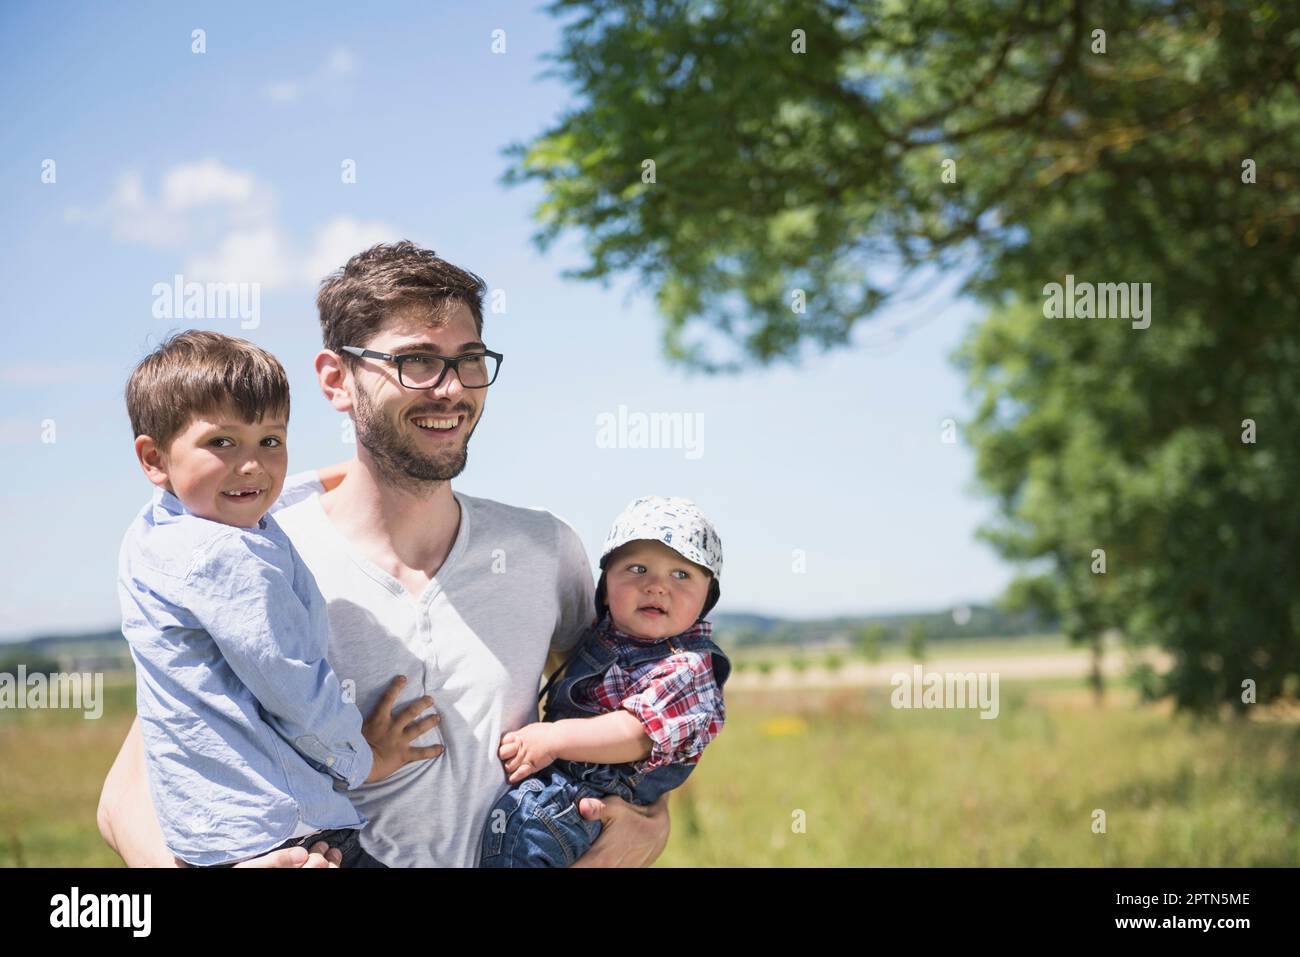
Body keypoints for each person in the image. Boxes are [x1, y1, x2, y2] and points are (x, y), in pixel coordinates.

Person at [98, 241, 670, 867]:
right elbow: (131, 792)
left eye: (469, 359)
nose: (451, 389)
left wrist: (651, 819)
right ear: (336, 380)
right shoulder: (253, 547)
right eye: (416, 362)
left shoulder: (544, 548)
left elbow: (635, 696)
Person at [118, 330, 442, 867]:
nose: (253, 466)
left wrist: (334, 478)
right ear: (154, 458)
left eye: (271, 441)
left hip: (215, 835)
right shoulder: (230, 558)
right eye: (221, 442)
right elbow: (293, 686)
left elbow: (253, 488)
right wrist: (364, 760)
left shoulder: (154, 531)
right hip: (288, 829)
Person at [480, 496, 729, 866]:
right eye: (637, 568)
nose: (656, 586)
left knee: (527, 838)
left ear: (708, 596)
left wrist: (553, 737)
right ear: (605, 585)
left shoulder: (689, 667)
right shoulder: (603, 635)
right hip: (554, 792)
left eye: (681, 574)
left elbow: (636, 732)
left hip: (585, 808)